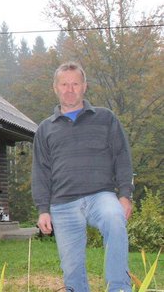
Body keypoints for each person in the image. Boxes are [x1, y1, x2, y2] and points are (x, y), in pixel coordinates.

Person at [32, 62, 133, 292]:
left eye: (75, 84)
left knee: (115, 218)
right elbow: (40, 171)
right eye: (64, 84)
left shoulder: (106, 118)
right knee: (72, 270)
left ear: (84, 86)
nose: (70, 89)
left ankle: (119, 288)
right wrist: (42, 209)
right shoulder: (45, 129)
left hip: (101, 196)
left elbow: (122, 157)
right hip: (63, 204)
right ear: (55, 88)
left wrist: (125, 194)